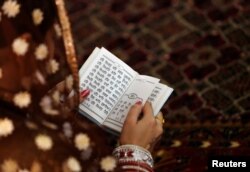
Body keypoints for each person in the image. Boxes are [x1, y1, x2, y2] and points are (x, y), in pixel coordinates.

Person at [0, 0, 164, 171]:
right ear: (25, 47)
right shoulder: (26, 152)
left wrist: (38, 112)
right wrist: (135, 154)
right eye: (50, 37)